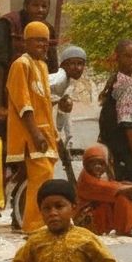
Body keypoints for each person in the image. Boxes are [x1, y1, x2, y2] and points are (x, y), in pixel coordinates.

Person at [0, 0, 58, 148]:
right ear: (26, 5)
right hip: (10, 101)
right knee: (9, 150)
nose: (40, 10)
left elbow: (52, 71)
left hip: (37, 104)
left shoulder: (47, 30)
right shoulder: (7, 25)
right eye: (36, 5)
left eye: (44, 6)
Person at [6, 20, 57, 234]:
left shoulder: (42, 66)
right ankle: (33, 226)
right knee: (41, 175)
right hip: (30, 134)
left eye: (45, 41)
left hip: (45, 131)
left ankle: (40, 222)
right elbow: (23, 103)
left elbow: (43, 101)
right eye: (37, 40)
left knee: (46, 176)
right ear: (26, 42)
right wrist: (35, 133)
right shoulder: (21, 65)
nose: (42, 45)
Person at [99, 40, 132, 214]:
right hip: (126, 149)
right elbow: (126, 119)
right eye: (128, 56)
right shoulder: (126, 85)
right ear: (118, 58)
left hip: (121, 148)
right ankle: (129, 219)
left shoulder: (122, 81)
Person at [73, 143, 132, 238]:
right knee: (121, 198)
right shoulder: (87, 178)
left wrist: (126, 186)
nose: (98, 167)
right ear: (86, 164)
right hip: (86, 216)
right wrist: (128, 187)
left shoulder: (97, 173)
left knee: (127, 196)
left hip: (96, 206)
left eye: (101, 163)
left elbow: (111, 186)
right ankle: (130, 227)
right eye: (93, 163)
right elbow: (110, 189)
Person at [49, 44, 87, 184]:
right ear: (64, 65)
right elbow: (40, 88)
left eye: (80, 64)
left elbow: (63, 115)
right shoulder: (59, 78)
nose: (77, 68)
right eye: (73, 64)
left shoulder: (67, 82)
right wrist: (55, 100)